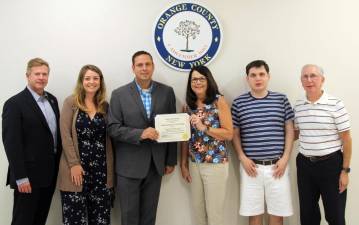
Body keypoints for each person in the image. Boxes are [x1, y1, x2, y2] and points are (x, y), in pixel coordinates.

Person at [107, 50, 177, 225]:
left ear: (153, 66)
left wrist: (171, 160)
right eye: (140, 65)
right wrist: (141, 133)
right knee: (129, 217)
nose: (144, 68)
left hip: (156, 165)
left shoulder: (167, 92)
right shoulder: (119, 94)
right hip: (128, 167)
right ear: (133, 68)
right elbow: (113, 128)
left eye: (148, 64)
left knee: (149, 216)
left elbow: (173, 127)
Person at [231, 60, 294, 225]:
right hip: (251, 167)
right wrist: (242, 157)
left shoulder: (281, 99)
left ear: (268, 76)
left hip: (277, 166)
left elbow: (290, 130)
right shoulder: (238, 103)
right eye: (253, 75)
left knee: (277, 215)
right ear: (247, 79)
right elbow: (235, 134)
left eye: (261, 74)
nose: (257, 78)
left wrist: (286, 157)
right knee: (254, 215)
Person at [2, 57, 62, 225]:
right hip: (27, 177)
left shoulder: (52, 100)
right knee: (23, 220)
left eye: (44, 74)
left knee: (39, 219)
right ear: (27, 75)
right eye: (37, 74)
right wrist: (21, 177)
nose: (41, 77)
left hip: (48, 174)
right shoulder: (14, 104)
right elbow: (11, 143)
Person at [294, 64, 352, 225]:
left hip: (331, 165)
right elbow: (296, 133)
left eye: (313, 76)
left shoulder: (335, 104)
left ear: (322, 79)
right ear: (301, 80)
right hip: (305, 166)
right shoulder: (298, 106)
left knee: (335, 216)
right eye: (305, 76)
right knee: (308, 216)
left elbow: (347, 139)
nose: (309, 80)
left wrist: (345, 171)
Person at [57, 64, 114, 225]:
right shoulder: (71, 103)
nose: (91, 82)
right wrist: (74, 164)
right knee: (75, 221)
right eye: (87, 78)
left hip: (101, 174)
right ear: (81, 81)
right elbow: (65, 135)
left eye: (96, 78)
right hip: (75, 173)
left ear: (100, 82)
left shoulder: (105, 106)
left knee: (101, 220)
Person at [180, 65, 233, 225]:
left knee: (214, 214)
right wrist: (183, 163)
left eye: (201, 78)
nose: (197, 82)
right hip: (194, 164)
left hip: (215, 164)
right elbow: (185, 137)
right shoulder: (188, 106)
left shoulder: (219, 101)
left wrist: (205, 128)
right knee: (198, 212)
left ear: (208, 80)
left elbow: (229, 133)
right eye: (194, 79)